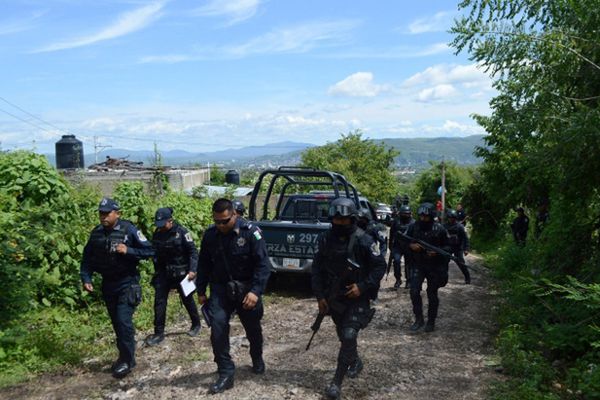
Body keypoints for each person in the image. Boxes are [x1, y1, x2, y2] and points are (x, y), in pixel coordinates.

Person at [311, 197, 386, 399]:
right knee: (343, 335)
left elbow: (380, 266)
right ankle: (355, 360)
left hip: (358, 297)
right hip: (334, 297)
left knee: (349, 334)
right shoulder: (325, 239)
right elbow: (316, 269)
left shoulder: (364, 239)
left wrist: (362, 287)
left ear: (351, 219)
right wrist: (319, 296)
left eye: (343, 220)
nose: (339, 223)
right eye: (335, 220)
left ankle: (336, 382)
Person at [196, 198, 271, 394]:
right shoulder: (210, 235)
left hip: (247, 289)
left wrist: (255, 291)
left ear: (234, 215)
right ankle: (226, 373)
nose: (220, 225)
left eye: (225, 221)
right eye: (217, 221)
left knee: (253, 328)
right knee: (218, 328)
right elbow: (203, 264)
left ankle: (257, 356)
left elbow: (263, 265)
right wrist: (201, 290)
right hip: (221, 289)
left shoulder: (250, 232)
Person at [80, 198, 154, 378]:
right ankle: (124, 356)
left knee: (123, 322)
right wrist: (86, 277)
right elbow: (87, 258)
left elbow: (151, 251)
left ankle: (128, 361)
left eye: (107, 213)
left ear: (117, 214)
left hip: (127, 283)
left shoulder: (129, 230)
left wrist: (129, 251)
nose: (103, 217)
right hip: (108, 284)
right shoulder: (96, 233)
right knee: (116, 324)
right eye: (101, 213)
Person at [146, 207, 201, 346]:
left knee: (187, 299)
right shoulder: (157, 234)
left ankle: (196, 324)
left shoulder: (182, 232)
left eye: (163, 224)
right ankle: (159, 333)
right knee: (159, 302)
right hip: (164, 273)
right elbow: (155, 253)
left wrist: (192, 270)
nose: (161, 227)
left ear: (170, 221)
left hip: (183, 273)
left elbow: (193, 252)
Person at [407, 202, 451, 333]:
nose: (422, 219)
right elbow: (404, 241)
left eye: (425, 216)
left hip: (434, 266)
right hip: (417, 264)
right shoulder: (413, 227)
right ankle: (419, 319)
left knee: (432, 294)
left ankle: (431, 321)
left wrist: (437, 252)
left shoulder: (440, 229)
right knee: (414, 291)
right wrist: (411, 246)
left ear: (431, 216)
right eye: (420, 216)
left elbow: (448, 247)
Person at [389, 205, 415, 289]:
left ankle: (409, 280)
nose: (405, 215)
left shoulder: (413, 223)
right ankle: (398, 279)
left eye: (407, 214)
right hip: (397, 246)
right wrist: (390, 246)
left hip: (409, 246)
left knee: (409, 264)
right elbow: (391, 234)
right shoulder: (396, 222)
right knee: (396, 261)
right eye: (403, 214)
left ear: (410, 214)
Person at [444, 209, 471, 284]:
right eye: (450, 217)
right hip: (448, 247)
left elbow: (465, 238)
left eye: (452, 218)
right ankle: (444, 277)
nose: (451, 219)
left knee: (461, 263)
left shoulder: (460, 226)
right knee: (444, 262)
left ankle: (467, 277)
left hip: (458, 247)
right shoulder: (444, 226)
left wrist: (466, 249)